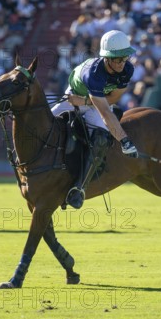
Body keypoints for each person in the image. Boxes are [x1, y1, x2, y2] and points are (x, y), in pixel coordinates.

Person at [51, 30, 139, 209]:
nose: (122, 63)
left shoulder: (127, 70)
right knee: (46, 126)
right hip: (72, 98)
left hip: (93, 102)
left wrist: (84, 102)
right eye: (118, 59)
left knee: (100, 139)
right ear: (106, 58)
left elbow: (112, 99)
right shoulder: (94, 73)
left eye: (125, 58)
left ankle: (79, 188)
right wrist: (125, 141)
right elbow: (106, 113)